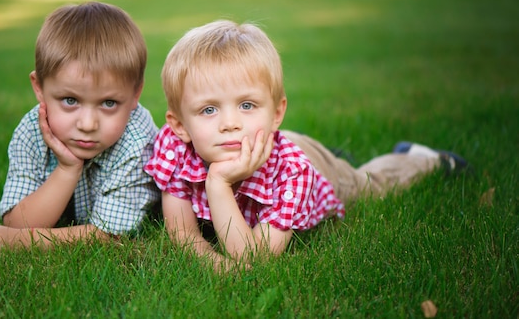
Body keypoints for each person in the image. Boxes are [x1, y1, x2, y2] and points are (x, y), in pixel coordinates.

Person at [144, 20, 467, 270]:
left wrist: (217, 183)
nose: (230, 123)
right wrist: (219, 268)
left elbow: (254, 258)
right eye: (209, 110)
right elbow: (184, 235)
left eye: (247, 105)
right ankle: (336, 154)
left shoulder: (294, 173)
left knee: (368, 184)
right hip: (269, 143)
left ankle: (422, 159)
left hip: (314, 164)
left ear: (277, 112)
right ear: (180, 125)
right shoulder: (174, 148)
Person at [0, 1, 159, 255]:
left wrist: (21, 242)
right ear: (39, 88)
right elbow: (16, 223)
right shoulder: (31, 131)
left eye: (108, 103)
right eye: (70, 101)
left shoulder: (137, 140)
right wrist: (67, 168)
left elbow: (110, 235)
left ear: (135, 93)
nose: (87, 124)